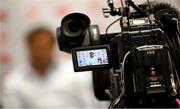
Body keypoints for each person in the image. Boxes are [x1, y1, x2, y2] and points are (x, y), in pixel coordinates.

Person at [1, 27, 109, 108]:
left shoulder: (74, 72)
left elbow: (92, 103)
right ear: (28, 47)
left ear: (52, 46)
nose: (40, 52)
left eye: (44, 47)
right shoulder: (14, 80)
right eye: (37, 47)